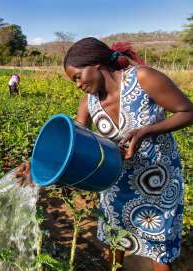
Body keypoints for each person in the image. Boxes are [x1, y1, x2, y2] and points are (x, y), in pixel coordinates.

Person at [16, 37, 193, 271]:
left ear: (96, 65)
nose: (78, 84)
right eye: (73, 81)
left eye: (78, 77)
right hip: (115, 181)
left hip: (157, 179)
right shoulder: (89, 102)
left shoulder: (142, 78)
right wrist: (36, 164)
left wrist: (146, 132)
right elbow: (72, 140)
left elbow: (187, 111)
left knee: (157, 245)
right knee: (115, 237)